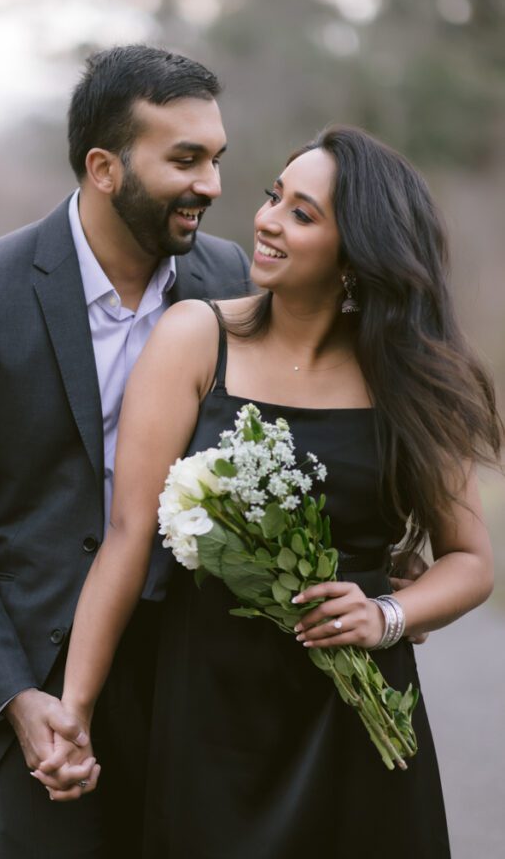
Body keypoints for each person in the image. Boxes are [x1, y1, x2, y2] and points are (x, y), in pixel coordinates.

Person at [45, 126, 501, 858]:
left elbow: (469, 562)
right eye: (272, 197)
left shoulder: (413, 376)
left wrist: (385, 615)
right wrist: (76, 709)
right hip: (213, 707)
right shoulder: (195, 338)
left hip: (358, 718)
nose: (264, 219)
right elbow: (129, 536)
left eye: (301, 212)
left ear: (359, 251)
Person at [0, 44, 254, 859]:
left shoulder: (228, 281)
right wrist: (16, 697)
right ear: (103, 167)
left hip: (193, 679)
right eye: (184, 159)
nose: (211, 186)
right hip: (30, 680)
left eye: (216, 159)